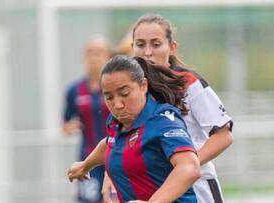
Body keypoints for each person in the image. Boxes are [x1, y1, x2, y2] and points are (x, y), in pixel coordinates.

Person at [103, 14, 233, 203]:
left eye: (156, 44)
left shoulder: (189, 83)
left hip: (196, 187)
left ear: (171, 47)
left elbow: (223, 136)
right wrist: (112, 172)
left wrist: (185, 164)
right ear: (132, 48)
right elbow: (120, 137)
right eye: (140, 45)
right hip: (154, 188)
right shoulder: (132, 90)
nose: (147, 52)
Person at [67, 55, 201, 203]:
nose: (117, 105)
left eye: (124, 94)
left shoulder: (163, 120)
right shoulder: (116, 122)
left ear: (143, 86)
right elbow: (111, 143)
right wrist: (86, 165)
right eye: (109, 97)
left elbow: (189, 167)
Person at [63, 37, 111, 203]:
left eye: (99, 52)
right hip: (88, 157)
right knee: (88, 199)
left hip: (115, 155)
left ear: (107, 56)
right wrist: (69, 127)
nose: (94, 57)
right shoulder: (74, 90)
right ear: (84, 57)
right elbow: (65, 122)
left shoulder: (115, 87)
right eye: (90, 53)